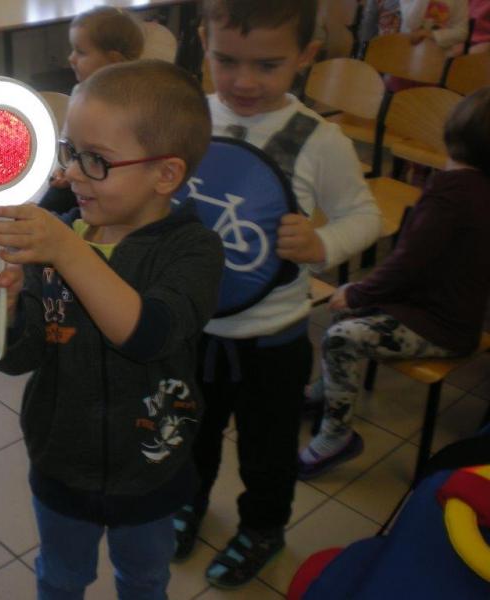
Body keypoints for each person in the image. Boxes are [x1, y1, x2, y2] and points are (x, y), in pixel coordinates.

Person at [0, 60, 223, 600]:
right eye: (70, 151)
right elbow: (20, 358)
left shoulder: (193, 251)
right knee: (61, 576)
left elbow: (147, 334)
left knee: (144, 579)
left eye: (96, 160)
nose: (71, 174)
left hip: (151, 466)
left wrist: (68, 252)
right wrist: (4, 312)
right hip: (61, 462)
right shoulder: (60, 241)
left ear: (166, 175)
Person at [172, 0, 382, 589]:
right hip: (194, 327)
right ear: (204, 43)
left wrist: (321, 243)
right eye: (226, 61)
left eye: (267, 65)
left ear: (305, 56)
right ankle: (187, 503)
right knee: (188, 435)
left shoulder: (320, 140)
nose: (244, 81)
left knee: (267, 452)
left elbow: (364, 215)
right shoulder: (187, 118)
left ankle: (263, 528)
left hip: (272, 339)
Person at [299, 86, 490, 479]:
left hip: (440, 326)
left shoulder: (450, 196)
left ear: (451, 131)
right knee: (347, 310)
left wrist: (358, 291)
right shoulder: (474, 189)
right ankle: (324, 394)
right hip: (435, 309)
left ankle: (337, 436)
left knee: (340, 336)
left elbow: (406, 263)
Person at [41, 6, 144, 212]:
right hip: (75, 177)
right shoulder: (80, 92)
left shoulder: (133, 105)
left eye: (80, 52)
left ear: (113, 60)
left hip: (104, 187)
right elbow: (67, 143)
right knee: (41, 211)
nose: (71, 58)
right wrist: (62, 169)